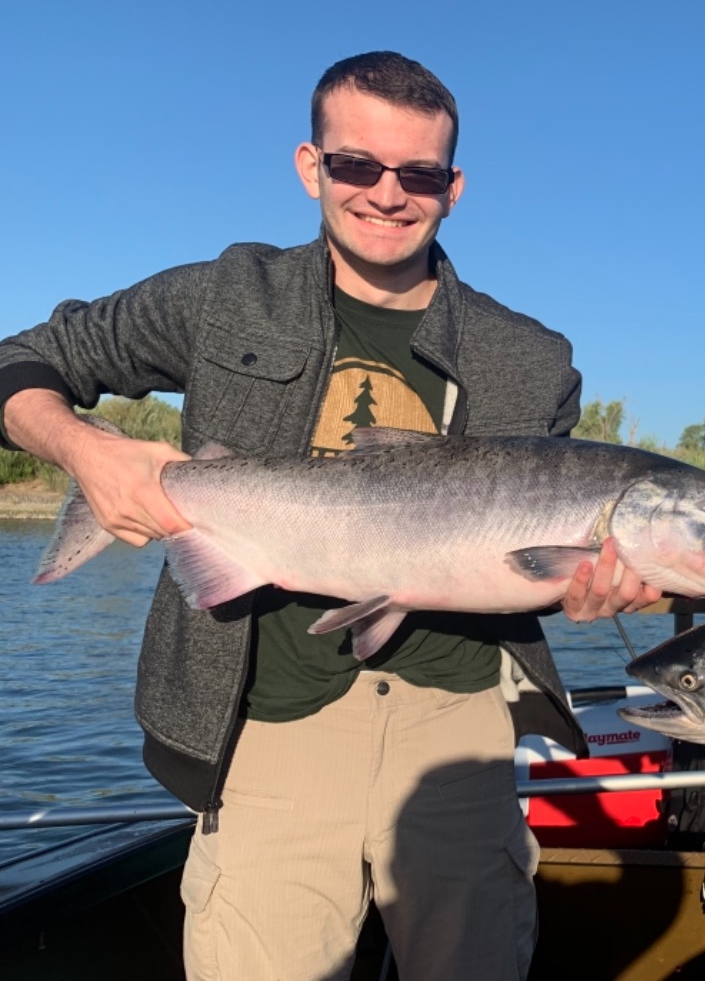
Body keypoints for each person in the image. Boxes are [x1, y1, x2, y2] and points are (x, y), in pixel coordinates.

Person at [0, 51, 661, 980]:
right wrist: (89, 452)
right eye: (357, 166)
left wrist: (588, 590)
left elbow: (527, 570)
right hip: (267, 723)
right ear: (311, 165)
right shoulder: (224, 295)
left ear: (454, 188)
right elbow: (24, 359)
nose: (387, 194)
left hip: (459, 731)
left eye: (419, 174)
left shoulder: (533, 359)